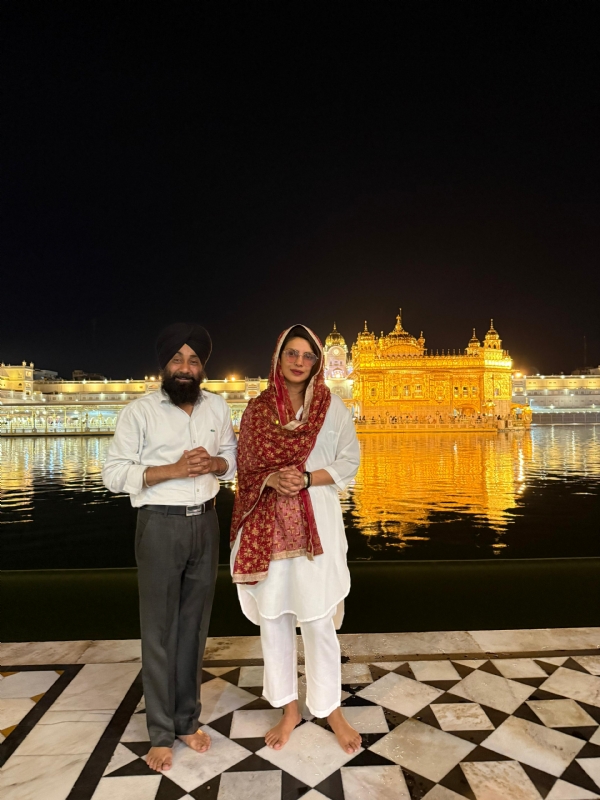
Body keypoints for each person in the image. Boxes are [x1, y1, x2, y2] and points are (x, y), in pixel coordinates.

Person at [102, 323, 237, 773]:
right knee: (159, 632)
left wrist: (216, 463)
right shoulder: (139, 412)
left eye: (194, 360)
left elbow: (232, 459)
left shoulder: (217, 406)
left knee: (195, 629)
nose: (186, 368)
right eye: (178, 360)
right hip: (159, 525)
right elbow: (114, 473)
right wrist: (172, 469)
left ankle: (186, 720)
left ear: (203, 367)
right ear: (164, 366)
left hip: (206, 524)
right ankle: (160, 731)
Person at [230, 324, 361, 754]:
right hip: (267, 526)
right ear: (279, 356)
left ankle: (330, 708)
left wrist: (305, 478)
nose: (299, 361)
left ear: (318, 362)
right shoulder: (258, 409)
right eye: (292, 352)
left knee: (319, 620)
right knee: (275, 619)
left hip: (315, 524)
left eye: (308, 355)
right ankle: (289, 709)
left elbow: (350, 460)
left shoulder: (331, 407)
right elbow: (244, 467)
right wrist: (270, 476)